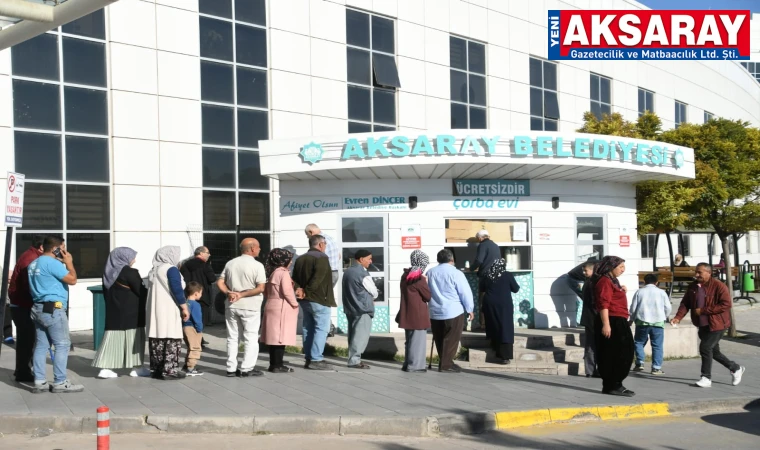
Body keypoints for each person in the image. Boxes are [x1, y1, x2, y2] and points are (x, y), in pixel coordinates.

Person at [671, 263, 745, 388]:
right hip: (702, 324)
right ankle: (735, 368)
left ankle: (706, 377)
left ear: (709, 273)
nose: (697, 275)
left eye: (700, 272)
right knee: (713, 351)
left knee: (705, 348)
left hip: (718, 324)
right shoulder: (693, 287)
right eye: (696, 272)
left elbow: (726, 304)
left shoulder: (719, 286)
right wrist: (678, 317)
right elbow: (685, 303)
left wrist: (704, 310)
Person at [28, 236, 83, 393]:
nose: (65, 251)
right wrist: (69, 263)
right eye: (63, 247)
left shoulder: (33, 264)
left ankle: (39, 381)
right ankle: (60, 381)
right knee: (62, 344)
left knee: (41, 346)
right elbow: (72, 280)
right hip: (54, 308)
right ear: (55, 249)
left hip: (38, 307)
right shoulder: (52, 263)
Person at [92, 247, 150, 379]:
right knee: (134, 341)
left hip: (115, 313)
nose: (134, 260)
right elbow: (141, 291)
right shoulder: (129, 272)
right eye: (132, 257)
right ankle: (136, 368)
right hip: (132, 313)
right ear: (124, 257)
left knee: (112, 340)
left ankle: (107, 368)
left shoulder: (108, 272)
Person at [216, 238, 267, 377]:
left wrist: (229, 292)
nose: (260, 249)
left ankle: (231, 368)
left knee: (232, 337)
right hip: (250, 306)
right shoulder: (257, 266)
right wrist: (242, 294)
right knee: (250, 337)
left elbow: (220, 281)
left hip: (231, 305)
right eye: (258, 247)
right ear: (252, 249)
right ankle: (246, 368)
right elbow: (261, 287)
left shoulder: (231, 263)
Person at [592, 255, 634, 397]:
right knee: (614, 354)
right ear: (611, 267)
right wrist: (606, 325)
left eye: (623, 266)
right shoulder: (604, 281)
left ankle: (616, 383)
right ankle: (612, 384)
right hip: (612, 320)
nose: (623, 269)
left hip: (619, 319)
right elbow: (603, 304)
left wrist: (621, 291)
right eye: (620, 266)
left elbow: (613, 298)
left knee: (623, 353)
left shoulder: (613, 281)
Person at [146, 246, 190, 380]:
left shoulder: (154, 269)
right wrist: (184, 307)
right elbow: (176, 289)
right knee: (172, 337)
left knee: (157, 338)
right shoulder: (171, 269)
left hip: (155, 310)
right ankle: (170, 370)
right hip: (168, 308)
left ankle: (157, 369)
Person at [292, 235, 336, 370]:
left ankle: (309, 358)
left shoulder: (300, 258)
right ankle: (316, 359)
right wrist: (307, 291)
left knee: (308, 328)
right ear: (321, 245)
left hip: (304, 300)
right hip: (319, 298)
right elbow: (318, 278)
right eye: (325, 245)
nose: (326, 247)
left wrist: (299, 290)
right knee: (321, 329)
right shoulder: (322, 258)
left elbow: (294, 279)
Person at [427, 249, 474, 373]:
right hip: (453, 310)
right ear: (451, 259)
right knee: (451, 338)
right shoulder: (456, 273)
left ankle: (445, 361)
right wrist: (470, 309)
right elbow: (464, 292)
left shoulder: (430, 273)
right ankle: (446, 364)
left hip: (435, 310)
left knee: (439, 337)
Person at [8, 235, 44, 382]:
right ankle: (23, 371)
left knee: (27, 340)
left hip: (22, 304)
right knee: (27, 340)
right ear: (42, 247)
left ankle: (22, 370)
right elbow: (28, 284)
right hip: (22, 305)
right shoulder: (31, 259)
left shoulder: (31, 256)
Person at [261, 248, 299, 373]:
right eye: (290, 259)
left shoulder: (271, 272)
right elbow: (287, 291)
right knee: (280, 337)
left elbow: (266, 291)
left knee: (273, 338)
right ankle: (278, 365)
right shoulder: (283, 273)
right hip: (282, 306)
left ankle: (273, 364)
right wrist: (295, 304)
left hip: (271, 304)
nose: (291, 262)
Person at [342, 249, 378, 369]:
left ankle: (352, 358)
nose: (370, 261)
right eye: (369, 259)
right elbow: (374, 292)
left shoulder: (347, 272)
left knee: (353, 335)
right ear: (361, 259)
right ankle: (354, 360)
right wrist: (373, 296)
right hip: (363, 309)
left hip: (350, 308)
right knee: (360, 336)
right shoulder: (363, 273)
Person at [630, 273, 672, 375]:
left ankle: (640, 362)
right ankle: (656, 368)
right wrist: (664, 316)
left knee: (639, 342)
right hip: (658, 323)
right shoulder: (661, 292)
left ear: (644, 281)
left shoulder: (639, 292)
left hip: (642, 322)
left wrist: (631, 319)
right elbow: (668, 307)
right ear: (656, 282)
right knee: (657, 345)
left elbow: (633, 308)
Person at [480, 258, 520, 365]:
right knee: (505, 327)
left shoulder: (487, 275)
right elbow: (516, 289)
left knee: (493, 325)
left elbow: (481, 288)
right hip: (504, 305)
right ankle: (505, 356)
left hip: (489, 304)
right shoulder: (507, 275)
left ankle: (494, 348)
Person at [398, 250, 431, 373]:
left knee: (410, 341)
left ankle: (408, 363)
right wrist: (426, 283)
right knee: (417, 341)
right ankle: (415, 365)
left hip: (407, 313)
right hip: (418, 315)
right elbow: (427, 296)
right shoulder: (419, 279)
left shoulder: (405, 275)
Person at [305, 224, 340, 336]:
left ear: (311, 232)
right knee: (323, 298)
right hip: (334, 272)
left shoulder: (320, 242)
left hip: (325, 274)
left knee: (319, 299)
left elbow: (319, 259)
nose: (308, 238)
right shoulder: (330, 238)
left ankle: (327, 327)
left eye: (307, 235)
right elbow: (338, 256)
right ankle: (328, 325)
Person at [180, 246, 217, 335]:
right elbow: (212, 279)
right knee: (201, 319)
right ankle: (198, 339)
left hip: (189, 295)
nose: (209, 255)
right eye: (207, 253)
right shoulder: (205, 265)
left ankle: (191, 337)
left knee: (189, 318)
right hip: (202, 296)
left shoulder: (185, 264)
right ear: (201, 253)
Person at [579, 261, 599, 378]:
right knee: (592, 345)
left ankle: (590, 370)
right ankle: (592, 370)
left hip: (590, 318)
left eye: (586, 270)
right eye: (584, 270)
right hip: (594, 318)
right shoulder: (593, 283)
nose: (584, 273)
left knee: (591, 345)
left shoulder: (589, 283)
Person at [182, 281, 204, 376]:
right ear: (196, 293)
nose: (201, 295)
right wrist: (199, 329)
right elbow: (197, 319)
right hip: (193, 328)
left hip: (184, 327)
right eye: (201, 293)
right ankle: (191, 368)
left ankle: (186, 365)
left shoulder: (185, 303)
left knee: (189, 347)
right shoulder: (195, 305)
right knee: (195, 348)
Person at [568, 259, 597, 326]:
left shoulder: (591, 279)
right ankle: (581, 320)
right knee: (587, 301)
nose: (583, 272)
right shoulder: (589, 279)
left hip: (577, 279)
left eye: (585, 271)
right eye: (583, 271)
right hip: (575, 279)